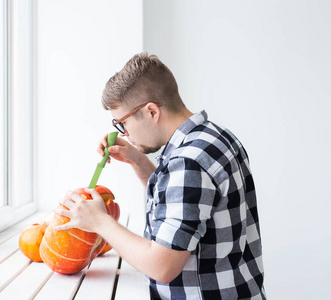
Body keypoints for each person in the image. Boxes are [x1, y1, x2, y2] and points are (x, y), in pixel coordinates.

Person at [54, 52, 266, 300]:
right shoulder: (214, 138)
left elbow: (161, 266)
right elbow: (185, 204)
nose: (124, 132)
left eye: (122, 123)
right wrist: (138, 160)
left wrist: (99, 221)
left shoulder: (188, 163)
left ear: (152, 111)